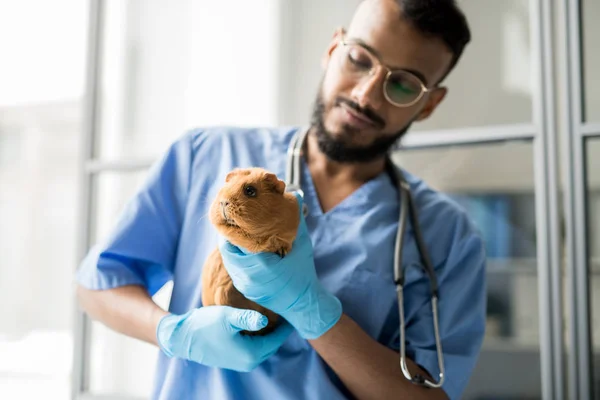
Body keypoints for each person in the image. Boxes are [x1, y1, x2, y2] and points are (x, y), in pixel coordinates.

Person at [75, 0, 487, 399]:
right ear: (333, 49)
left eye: (402, 84)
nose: (365, 95)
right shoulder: (206, 154)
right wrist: (173, 334)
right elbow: (98, 286)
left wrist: (314, 312)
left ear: (429, 103)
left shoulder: (447, 236)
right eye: (360, 59)